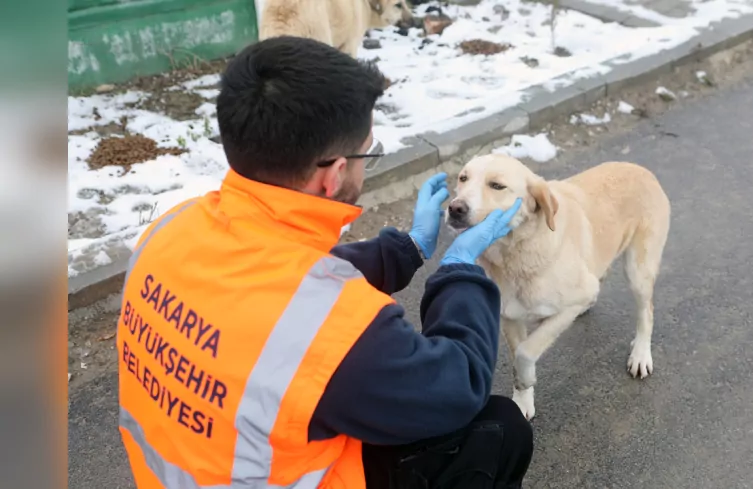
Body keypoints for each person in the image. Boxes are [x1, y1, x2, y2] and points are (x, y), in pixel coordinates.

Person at [115, 35, 533, 489]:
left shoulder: (169, 229)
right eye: (367, 153)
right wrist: (460, 272)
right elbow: (460, 383)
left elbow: (275, 277)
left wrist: (406, 249)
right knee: (499, 428)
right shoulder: (339, 334)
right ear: (334, 174)